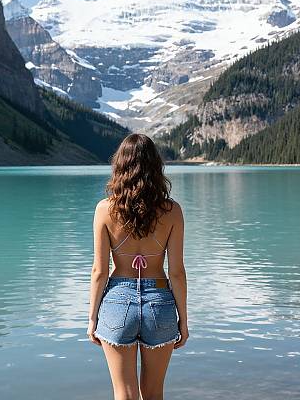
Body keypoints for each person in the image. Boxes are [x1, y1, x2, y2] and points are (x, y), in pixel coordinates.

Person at [87, 133, 188, 400]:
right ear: (156, 167)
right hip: (161, 303)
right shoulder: (173, 211)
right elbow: (176, 272)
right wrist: (184, 321)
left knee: (125, 394)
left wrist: (92, 318)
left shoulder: (104, 210)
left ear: (119, 166)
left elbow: (99, 271)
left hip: (118, 303)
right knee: (154, 394)